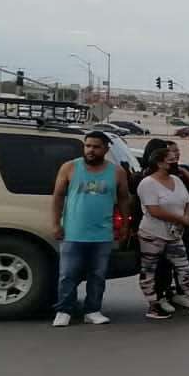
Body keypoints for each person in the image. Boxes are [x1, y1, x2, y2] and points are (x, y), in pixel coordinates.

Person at [50, 131, 131, 326]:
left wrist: (125, 226)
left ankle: (93, 310)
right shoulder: (70, 168)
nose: (91, 150)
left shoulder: (117, 172)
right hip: (73, 232)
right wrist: (55, 224)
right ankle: (64, 310)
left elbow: (123, 199)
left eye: (96, 147)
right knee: (68, 274)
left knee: (98, 275)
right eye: (88, 146)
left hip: (102, 234)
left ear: (105, 149)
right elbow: (58, 196)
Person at [137, 146, 189, 318]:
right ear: (159, 163)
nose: (175, 162)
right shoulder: (148, 183)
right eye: (170, 160)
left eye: (175, 158)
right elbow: (154, 210)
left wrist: (187, 215)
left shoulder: (177, 179)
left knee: (184, 268)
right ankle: (153, 305)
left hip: (174, 235)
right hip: (152, 235)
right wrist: (181, 219)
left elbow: (187, 201)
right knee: (149, 270)